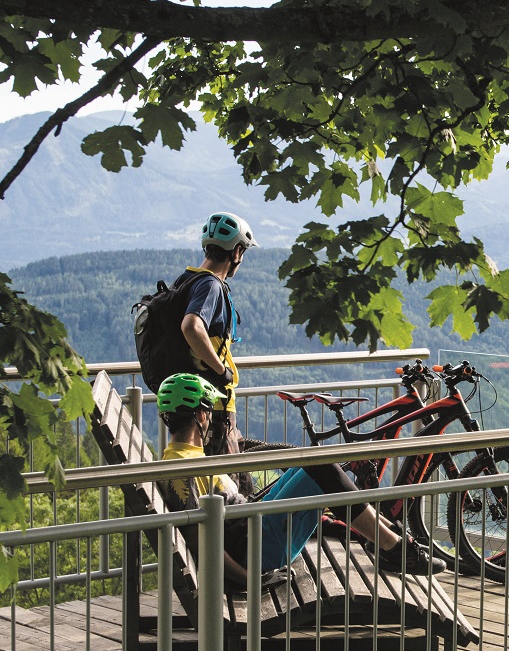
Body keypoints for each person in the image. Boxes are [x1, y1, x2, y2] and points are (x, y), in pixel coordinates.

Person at [155, 373, 448, 578]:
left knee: (314, 463)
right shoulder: (182, 470)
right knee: (322, 468)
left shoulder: (185, 458)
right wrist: (247, 579)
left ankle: (388, 538)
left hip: (253, 532)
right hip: (254, 550)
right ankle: (394, 547)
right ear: (201, 415)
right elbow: (200, 542)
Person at [179, 211, 254, 460]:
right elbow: (191, 326)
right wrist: (221, 371)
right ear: (236, 252)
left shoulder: (187, 279)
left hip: (197, 400)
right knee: (228, 488)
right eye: (242, 252)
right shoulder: (211, 285)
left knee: (236, 482)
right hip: (213, 403)